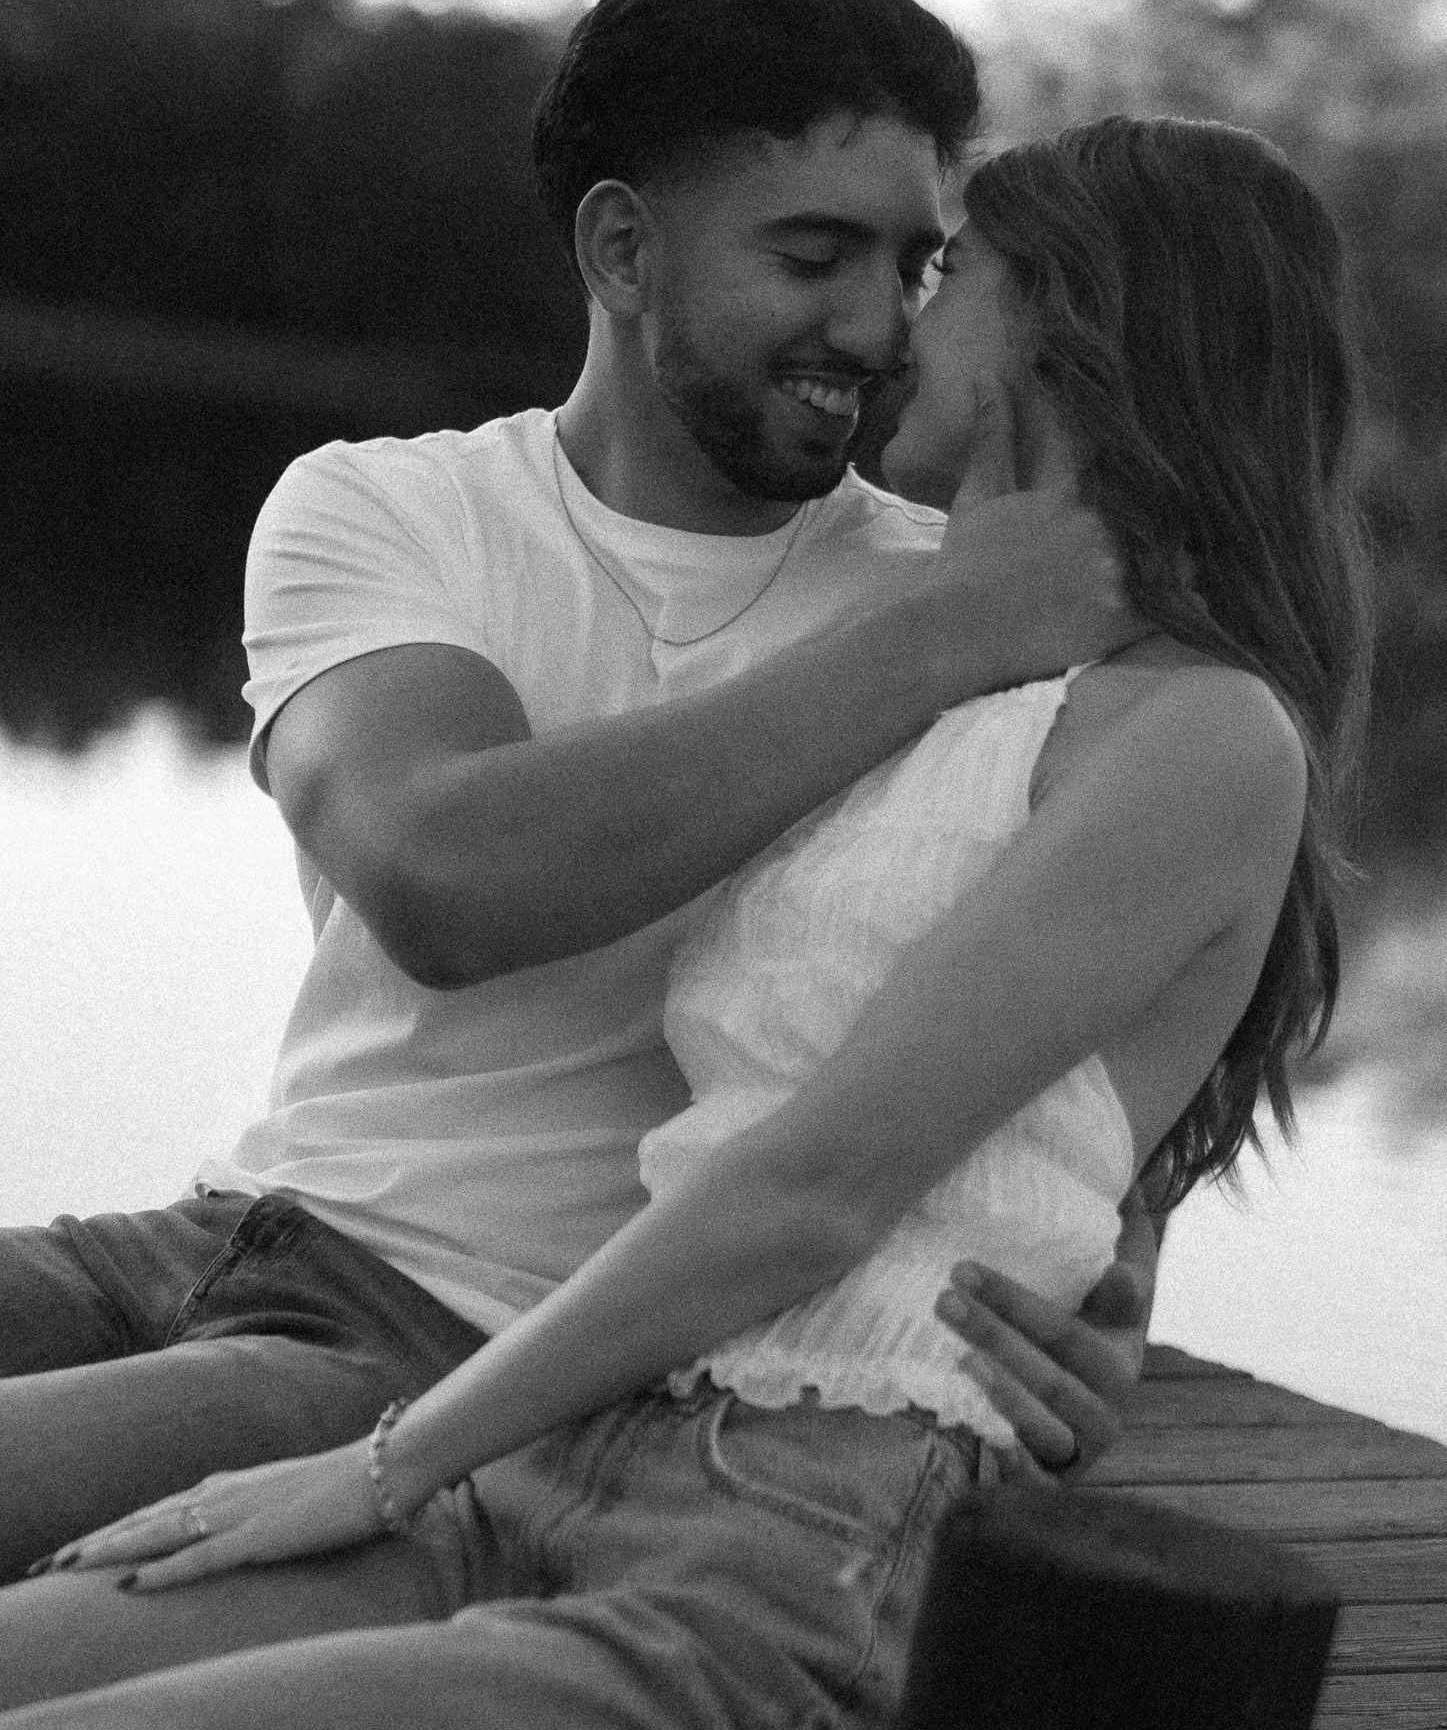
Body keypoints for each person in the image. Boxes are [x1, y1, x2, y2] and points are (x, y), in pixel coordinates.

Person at [0, 112, 1369, 1729]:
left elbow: (823, 1183)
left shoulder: (1198, 731)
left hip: (791, 1523)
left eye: (941, 268)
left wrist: (377, 1468)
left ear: (1065, 312)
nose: (886, 324)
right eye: (828, 256)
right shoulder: (933, 657)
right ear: (620, 248)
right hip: (548, 1437)